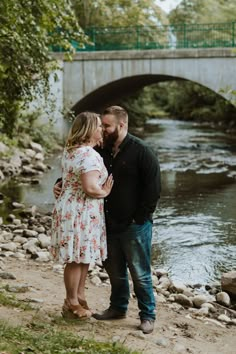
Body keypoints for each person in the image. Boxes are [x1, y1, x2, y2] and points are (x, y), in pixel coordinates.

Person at [54, 106, 161, 333]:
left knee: (140, 273)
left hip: (134, 224)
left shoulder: (142, 151)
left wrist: (139, 219)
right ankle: (118, 308)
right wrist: (60, 182)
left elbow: (153, 190)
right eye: (100, 125)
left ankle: (147, 316)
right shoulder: (100, 150)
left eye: (107, 126)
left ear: (121, 125)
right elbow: (80, 172)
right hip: (105, 222)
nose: (103, 129)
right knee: (115, 272)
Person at [51, 111, 113, 319]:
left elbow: (69, 180)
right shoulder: (88, 155)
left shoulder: (71, 151)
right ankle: (71, 301)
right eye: (98, 127)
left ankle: (79, 295)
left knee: (82, 256)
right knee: (76, 258)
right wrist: (104, 191)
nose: (101, 130)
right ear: (88, 131)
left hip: (73, 208)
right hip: (81, 211)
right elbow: (89, 188)